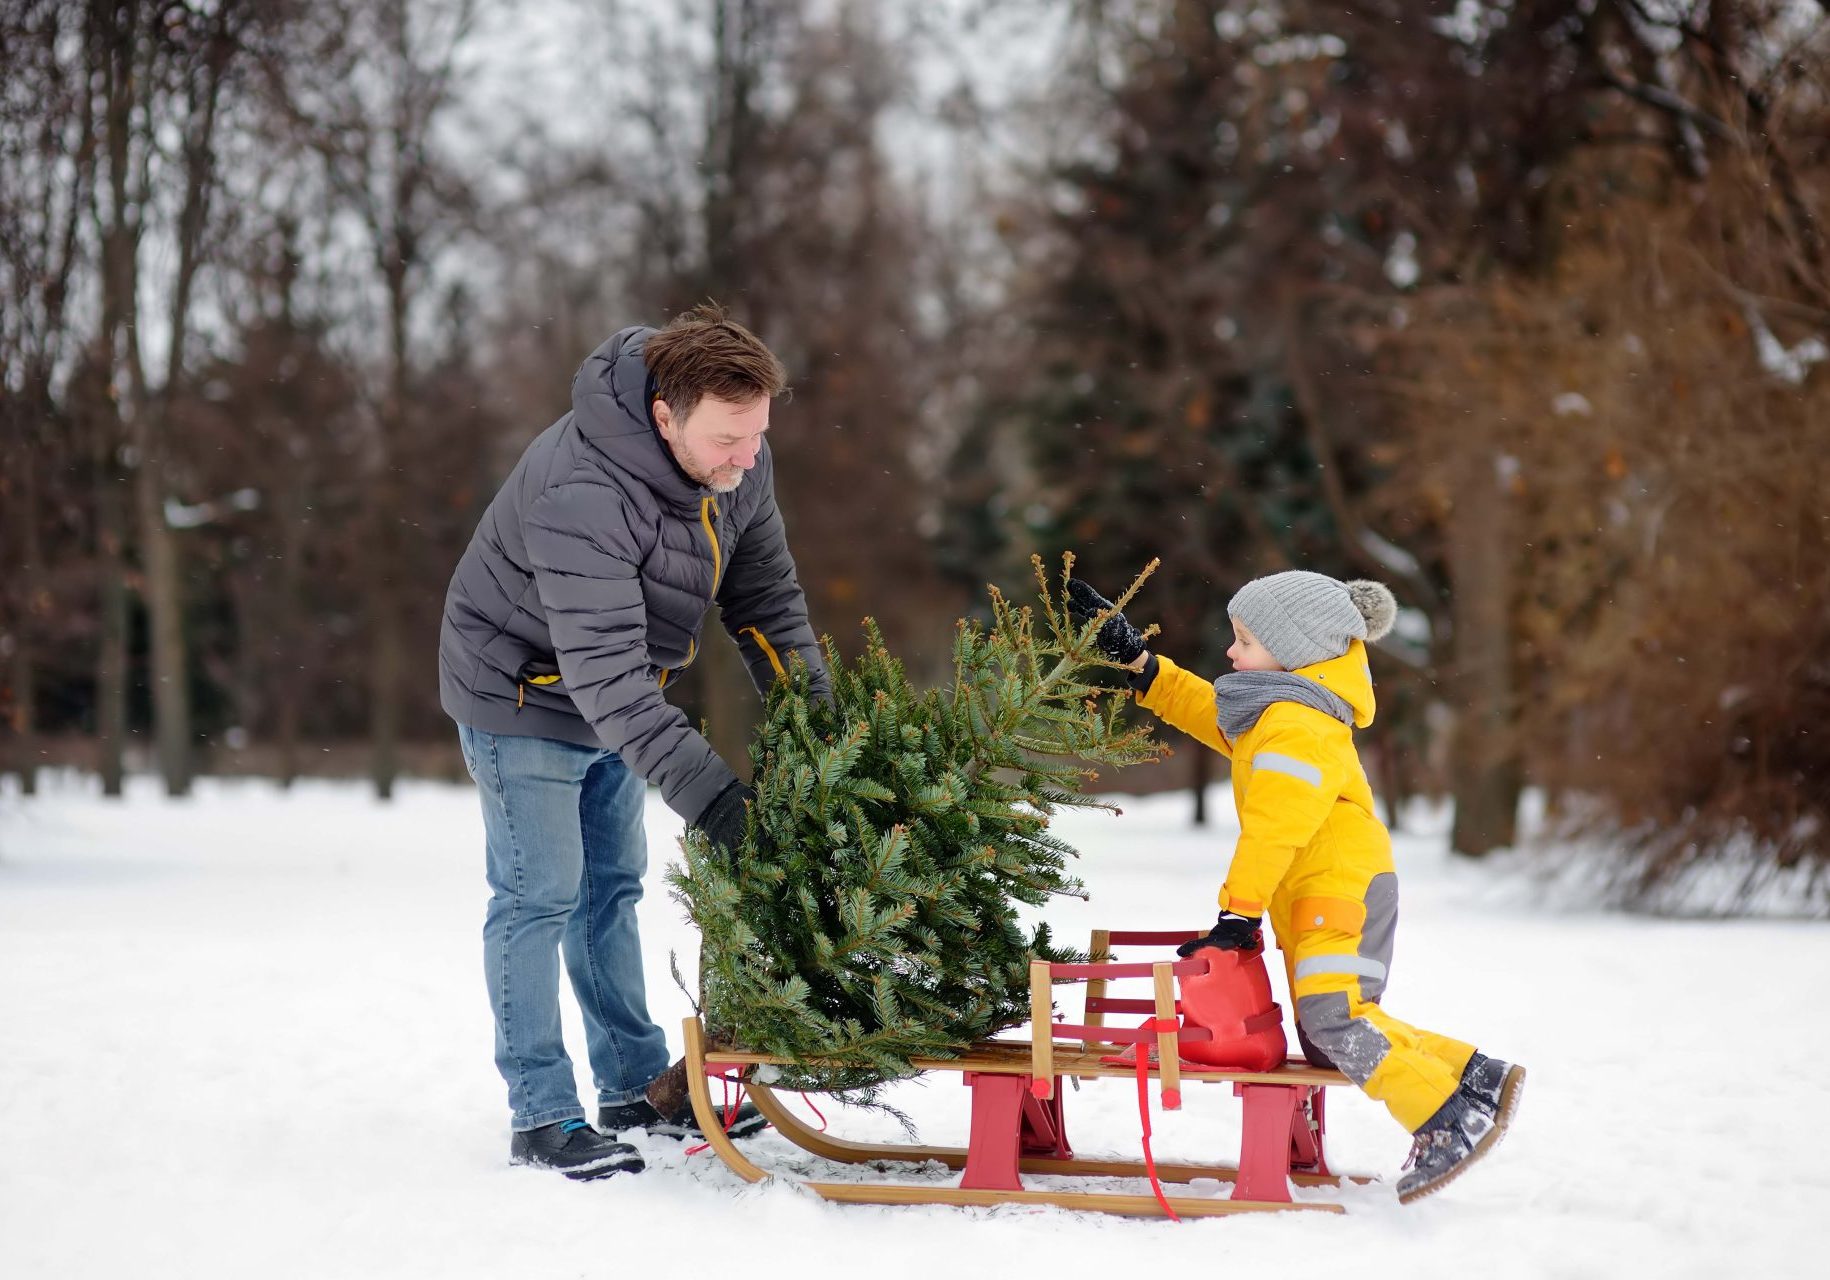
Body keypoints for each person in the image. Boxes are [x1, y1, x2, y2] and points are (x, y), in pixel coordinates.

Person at [439, 304, 831, 1180]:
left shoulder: (739, 471)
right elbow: (603, 676)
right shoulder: (584, 490)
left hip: (616, 696)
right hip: (521, 694)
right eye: (731, 438)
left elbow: (767, 609)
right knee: (540, 894)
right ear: (666, 415)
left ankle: (629, 1088)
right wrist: (718, 798)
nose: (749, 456)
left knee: (609, 890)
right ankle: (541, 1115)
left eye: (759, 434)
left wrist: (823, 731)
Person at [1067, 570, 1525, 1204]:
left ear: (1296, 648)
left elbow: (1273, 831)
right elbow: (1216, 718)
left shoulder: (1299, 728)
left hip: (1337, 888)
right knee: (1330, 1029)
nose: (1232, 652)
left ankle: (1444, 1117)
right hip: (1332, 885)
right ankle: (1475, 1076)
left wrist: (1237, 915)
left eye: (1245, 641)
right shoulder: (1283, 714)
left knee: (1334, 1021)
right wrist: (1142, 665)